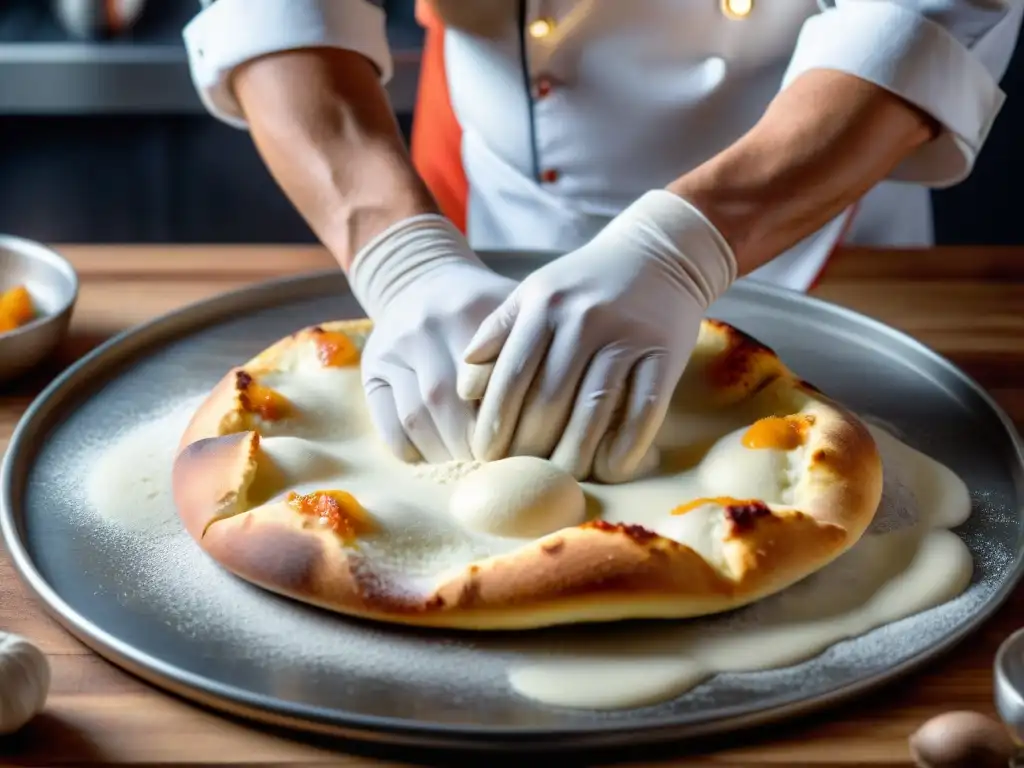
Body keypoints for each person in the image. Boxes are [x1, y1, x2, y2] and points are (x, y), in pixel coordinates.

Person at [183, 0, 1022, 482]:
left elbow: (924, 11)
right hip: (491, 182)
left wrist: (682, 247)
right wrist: (402, 258)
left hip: (814, 187)